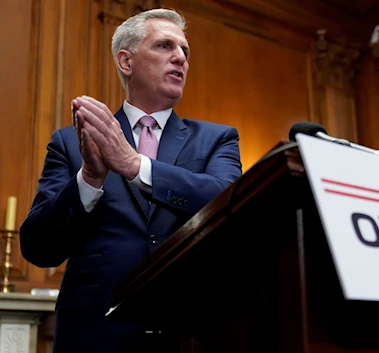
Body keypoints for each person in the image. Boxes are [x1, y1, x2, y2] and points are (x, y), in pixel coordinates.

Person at [20, 8, 242, 353]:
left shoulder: (217, 139)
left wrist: (134, 165)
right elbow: (37, 248)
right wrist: (90, 178)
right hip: (95, 332)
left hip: (190, 329)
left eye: (185, 51)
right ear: (126, 61)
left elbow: (229, 203)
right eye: (165, 46)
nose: (181, 58)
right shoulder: (71, 141)